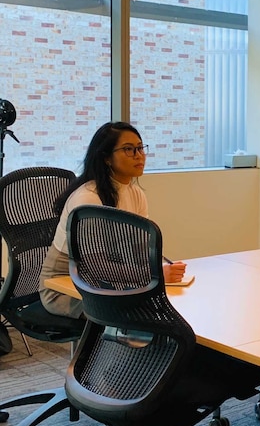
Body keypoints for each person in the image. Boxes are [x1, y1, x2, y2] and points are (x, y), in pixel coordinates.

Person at [38, 121, 186, 318]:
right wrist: (154, 276)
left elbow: (140, 250)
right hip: (64, 287)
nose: (139, 155)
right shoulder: (88, 198)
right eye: (128, 149)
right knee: (141, 313)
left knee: (165, 304)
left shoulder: (135, 193)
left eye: (140, 148)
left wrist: (162, 268)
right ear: (107, 158)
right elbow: (96, 266)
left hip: (101, 282)